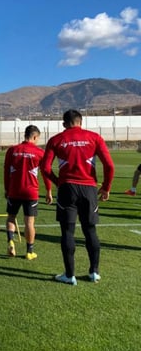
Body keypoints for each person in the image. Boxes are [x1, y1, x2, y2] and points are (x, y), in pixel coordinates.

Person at [40, 109, 114, 286]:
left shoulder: (56, 140)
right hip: (89, 189)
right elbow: (109, 166)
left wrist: (58, 182)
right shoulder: (94, 137)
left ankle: (69, 275)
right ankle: (94, 272)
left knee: (67, 231)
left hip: (67, 189)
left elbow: (45, 168)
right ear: (81, 122)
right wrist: (106, 187)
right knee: (90, 230)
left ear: (64, 124)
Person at [3, 125, 53, 260]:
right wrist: (48, 190)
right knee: (29, 223)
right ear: (35, 137)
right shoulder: (39, 152)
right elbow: (46, 173)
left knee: (11, 217)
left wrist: (7, 188)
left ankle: (11, 241)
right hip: (30, 192)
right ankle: (29, 251)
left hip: (14, 190)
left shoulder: (12, 150)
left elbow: (6, 171)